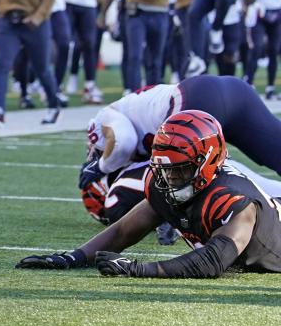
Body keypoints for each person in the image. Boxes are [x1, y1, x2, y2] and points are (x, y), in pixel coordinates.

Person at [18, 110, 281, 278]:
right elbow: (123, 231)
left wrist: (139, 269)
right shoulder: (165, 183)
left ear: (207, 162)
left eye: (181, 170)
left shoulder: (234, 200)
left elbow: (213, 261)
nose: (170, 178)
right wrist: (72, 258)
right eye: (166, 169)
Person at [79, 75, 281, 192]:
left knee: (201, 168)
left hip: (199, 99)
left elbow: (123, 142)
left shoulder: (105, 117)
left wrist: (101, 167)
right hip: (233, 91)